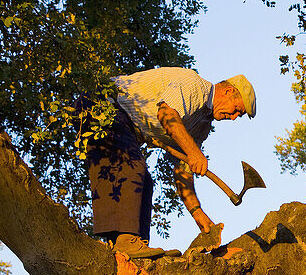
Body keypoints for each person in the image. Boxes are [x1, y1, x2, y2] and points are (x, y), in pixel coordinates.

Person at [83, 67, 256, 259]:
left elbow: (184, 168)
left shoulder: (202, 125)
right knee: (132, 167)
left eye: (237, 116)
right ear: (228, 91)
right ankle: (125, 241)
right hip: (103, 105)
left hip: (125, 126)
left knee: (145, 184)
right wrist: (193, 152)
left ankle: (133, 247)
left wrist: (198, 213)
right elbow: (166, 114)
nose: (232, 118)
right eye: (236, 111)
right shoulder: (195, 86)